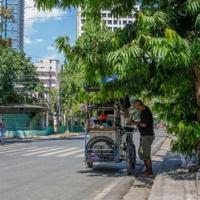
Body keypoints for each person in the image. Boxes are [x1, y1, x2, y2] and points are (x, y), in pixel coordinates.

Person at [128, 99, 155, 177]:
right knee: (143, 153)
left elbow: (144, 125)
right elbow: (142, 123)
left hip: (147, 136)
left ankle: (150, 173)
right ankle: (147, 171)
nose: (136, 109)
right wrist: (135, 122)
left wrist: (134, 122)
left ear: (140, 105)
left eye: (136, 107)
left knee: (145, 155)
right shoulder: (143, 111)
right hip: (144, 136)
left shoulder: (145, 111)